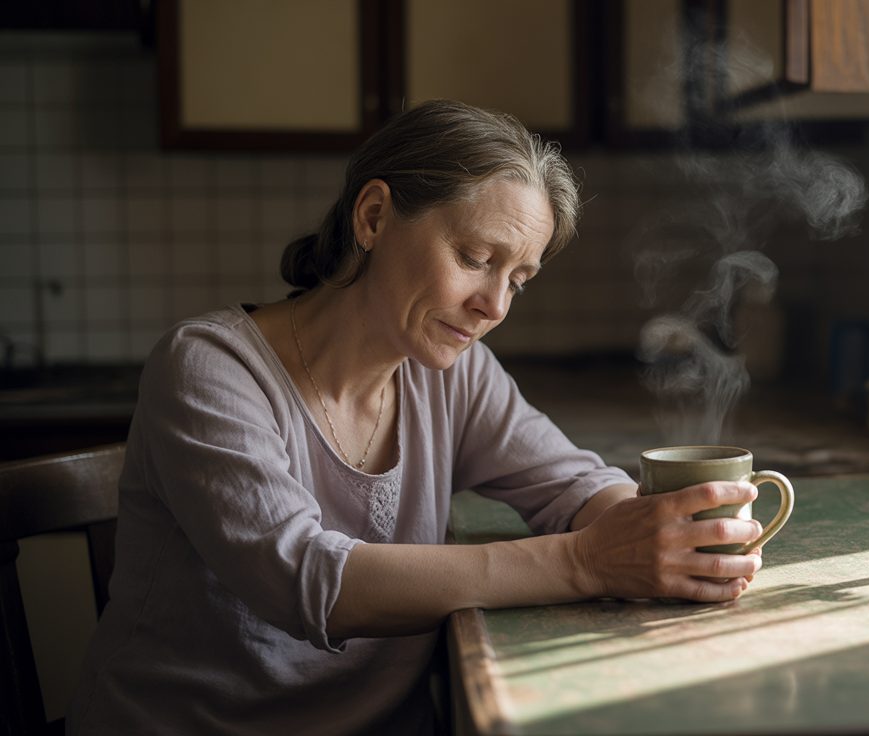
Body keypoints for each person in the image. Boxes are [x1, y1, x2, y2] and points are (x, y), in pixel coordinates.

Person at [67, 100, 765, 734]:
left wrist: (665, 539)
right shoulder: (209, 368)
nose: (494, 306)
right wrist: (588, 561)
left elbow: (572, 485)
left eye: (517, 279)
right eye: (475, 258)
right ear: (372, 218)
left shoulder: (450, 373)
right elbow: (307, 581)